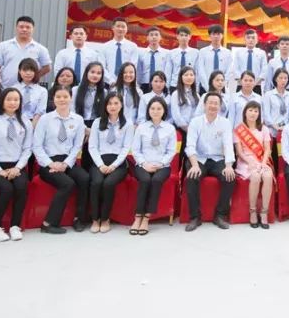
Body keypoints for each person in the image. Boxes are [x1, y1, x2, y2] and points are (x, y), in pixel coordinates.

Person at [0, 87, 33, 243]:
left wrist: (18, 168)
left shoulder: (25, 122)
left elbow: (27, 149)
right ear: (2, 101)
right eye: (9, 99)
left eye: (16, 99)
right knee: (6, 188)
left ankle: (15, 226)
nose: (12, 103)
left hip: (16, 166)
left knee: (21, 186)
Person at [33, 86, 88, 234]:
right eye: (58, 97)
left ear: (71, 98)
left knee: (84, 178)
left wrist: (66, 164)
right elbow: (37, 146)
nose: (62, 100)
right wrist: (51, 164)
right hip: (48, 162)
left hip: (68, 161)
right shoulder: (45, 119)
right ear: (53, 99)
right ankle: (48, 223)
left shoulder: (78, 120)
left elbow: (77, 146)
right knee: (67, 184)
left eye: (65, 96)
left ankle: (79, 218)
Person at [184, 92, 237, 231]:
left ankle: (220, 215)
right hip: (199, 159)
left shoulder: (225, 123)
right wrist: (194, 165)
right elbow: (190, 146)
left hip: (217, 158)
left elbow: (228, 145)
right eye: (210, 103)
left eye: (216, 103)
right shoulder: (195, 122)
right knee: (192, 177)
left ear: (220, 106)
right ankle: (195, 217)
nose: (213, 106)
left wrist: (229, 166)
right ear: (204, 105)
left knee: (230, 177)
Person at [130, 96, 177, 235]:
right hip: (142, 164)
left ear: (164, 111)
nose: (155, 111)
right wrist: (144, 164)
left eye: (159, 108)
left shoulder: (170, 128)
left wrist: (160, 164)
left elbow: (171, 151)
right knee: (145, 180)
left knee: (156, 180)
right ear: (148, 110)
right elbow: (135, 150)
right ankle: (137, 217)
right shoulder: (142, 128)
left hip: (163, 166)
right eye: (152, 108)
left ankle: (146, 218)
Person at [87, 94, 133, 234]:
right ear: (105, 106)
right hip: (99, 161)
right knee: (96, 183)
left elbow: (126, 148)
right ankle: (95, 219)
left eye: (116, 103)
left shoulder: (127, 124)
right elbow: (92, 146)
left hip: (118, 163)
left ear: (121, 105)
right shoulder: (97, 122)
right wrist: (100, 165)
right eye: (109, 103)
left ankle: (105, 218)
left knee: (108, 184)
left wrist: (114, 165)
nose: (113, 106)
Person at [233, 100, 273, 229]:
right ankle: (253, 211)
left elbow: (267, 149)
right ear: (245, 112)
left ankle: (264, 212)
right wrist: (251, 162)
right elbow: (239, 152)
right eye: (250, 110)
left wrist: (263, 163)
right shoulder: (239, 130)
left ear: (259, 114)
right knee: (255, 176)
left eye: (256, 111)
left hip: (262, 160)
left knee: (268, 176)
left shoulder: (264, 129)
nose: (253, 113)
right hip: (246, 162)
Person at [0, 15, 52, 89]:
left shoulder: (40, 49)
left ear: (33, 29)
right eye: (21, 27)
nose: (24, 29)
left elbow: (47, 67)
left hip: (29, 89)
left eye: (28, 27)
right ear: (16, 28)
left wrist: (34, 78)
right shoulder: (3, 46)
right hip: (6, 88)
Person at [100, 17, 141, 86]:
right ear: (113, 28)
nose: (120, 29)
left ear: (127, 29)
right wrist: (111, 81)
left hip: (127, 82)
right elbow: (102, 66)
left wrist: (125, 80)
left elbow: (133, 66)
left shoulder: (133, 46)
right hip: (108, 83)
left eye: (123, 27)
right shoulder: (104, 47)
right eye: (118, 26)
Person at [71, 61, 108, 128]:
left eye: (99, 73)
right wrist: (84, 128)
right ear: (86, 73)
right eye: (92, 72)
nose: (95, 75)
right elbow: (72, 110)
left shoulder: (104, 92)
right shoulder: (75, 90)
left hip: (97, 125)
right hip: (78, 124)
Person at [230, 28, 267, 93]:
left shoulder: (261, 53)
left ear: (257, 40)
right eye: (248, 38)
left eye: (253, 38)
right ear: (244, 40)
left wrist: (254, 82)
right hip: (241, 84)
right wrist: (243, 82)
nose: (251, 40)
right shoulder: (238, 53)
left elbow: (264, 70)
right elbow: (235, 69)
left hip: (256, 84)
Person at [262, 69, 289, 140]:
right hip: (271, 131)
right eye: (280, 78)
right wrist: (275, 126)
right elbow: (266, 114)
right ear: (275, 79)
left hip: (286, 131)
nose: (283, 80)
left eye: (285, 78)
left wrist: (287, 126)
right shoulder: (268, 95)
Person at [168, 66, 200, 135]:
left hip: (194, 128)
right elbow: (176, 115)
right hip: (181, 128)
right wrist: (186, 128)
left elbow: (199, 112)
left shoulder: (197, 94)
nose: (189, 77)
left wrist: (194, 127)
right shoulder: (176, 94)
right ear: (181, 77)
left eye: (191, 75)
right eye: (186, 75)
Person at [14, 58, 47, 126]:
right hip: (16, 122)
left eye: (31, 70)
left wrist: (31, 128)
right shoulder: (13, 89)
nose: (28, 73)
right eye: (25, 70)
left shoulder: (42, 91)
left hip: (35, 123)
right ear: (19, 71)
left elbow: (40, 112)